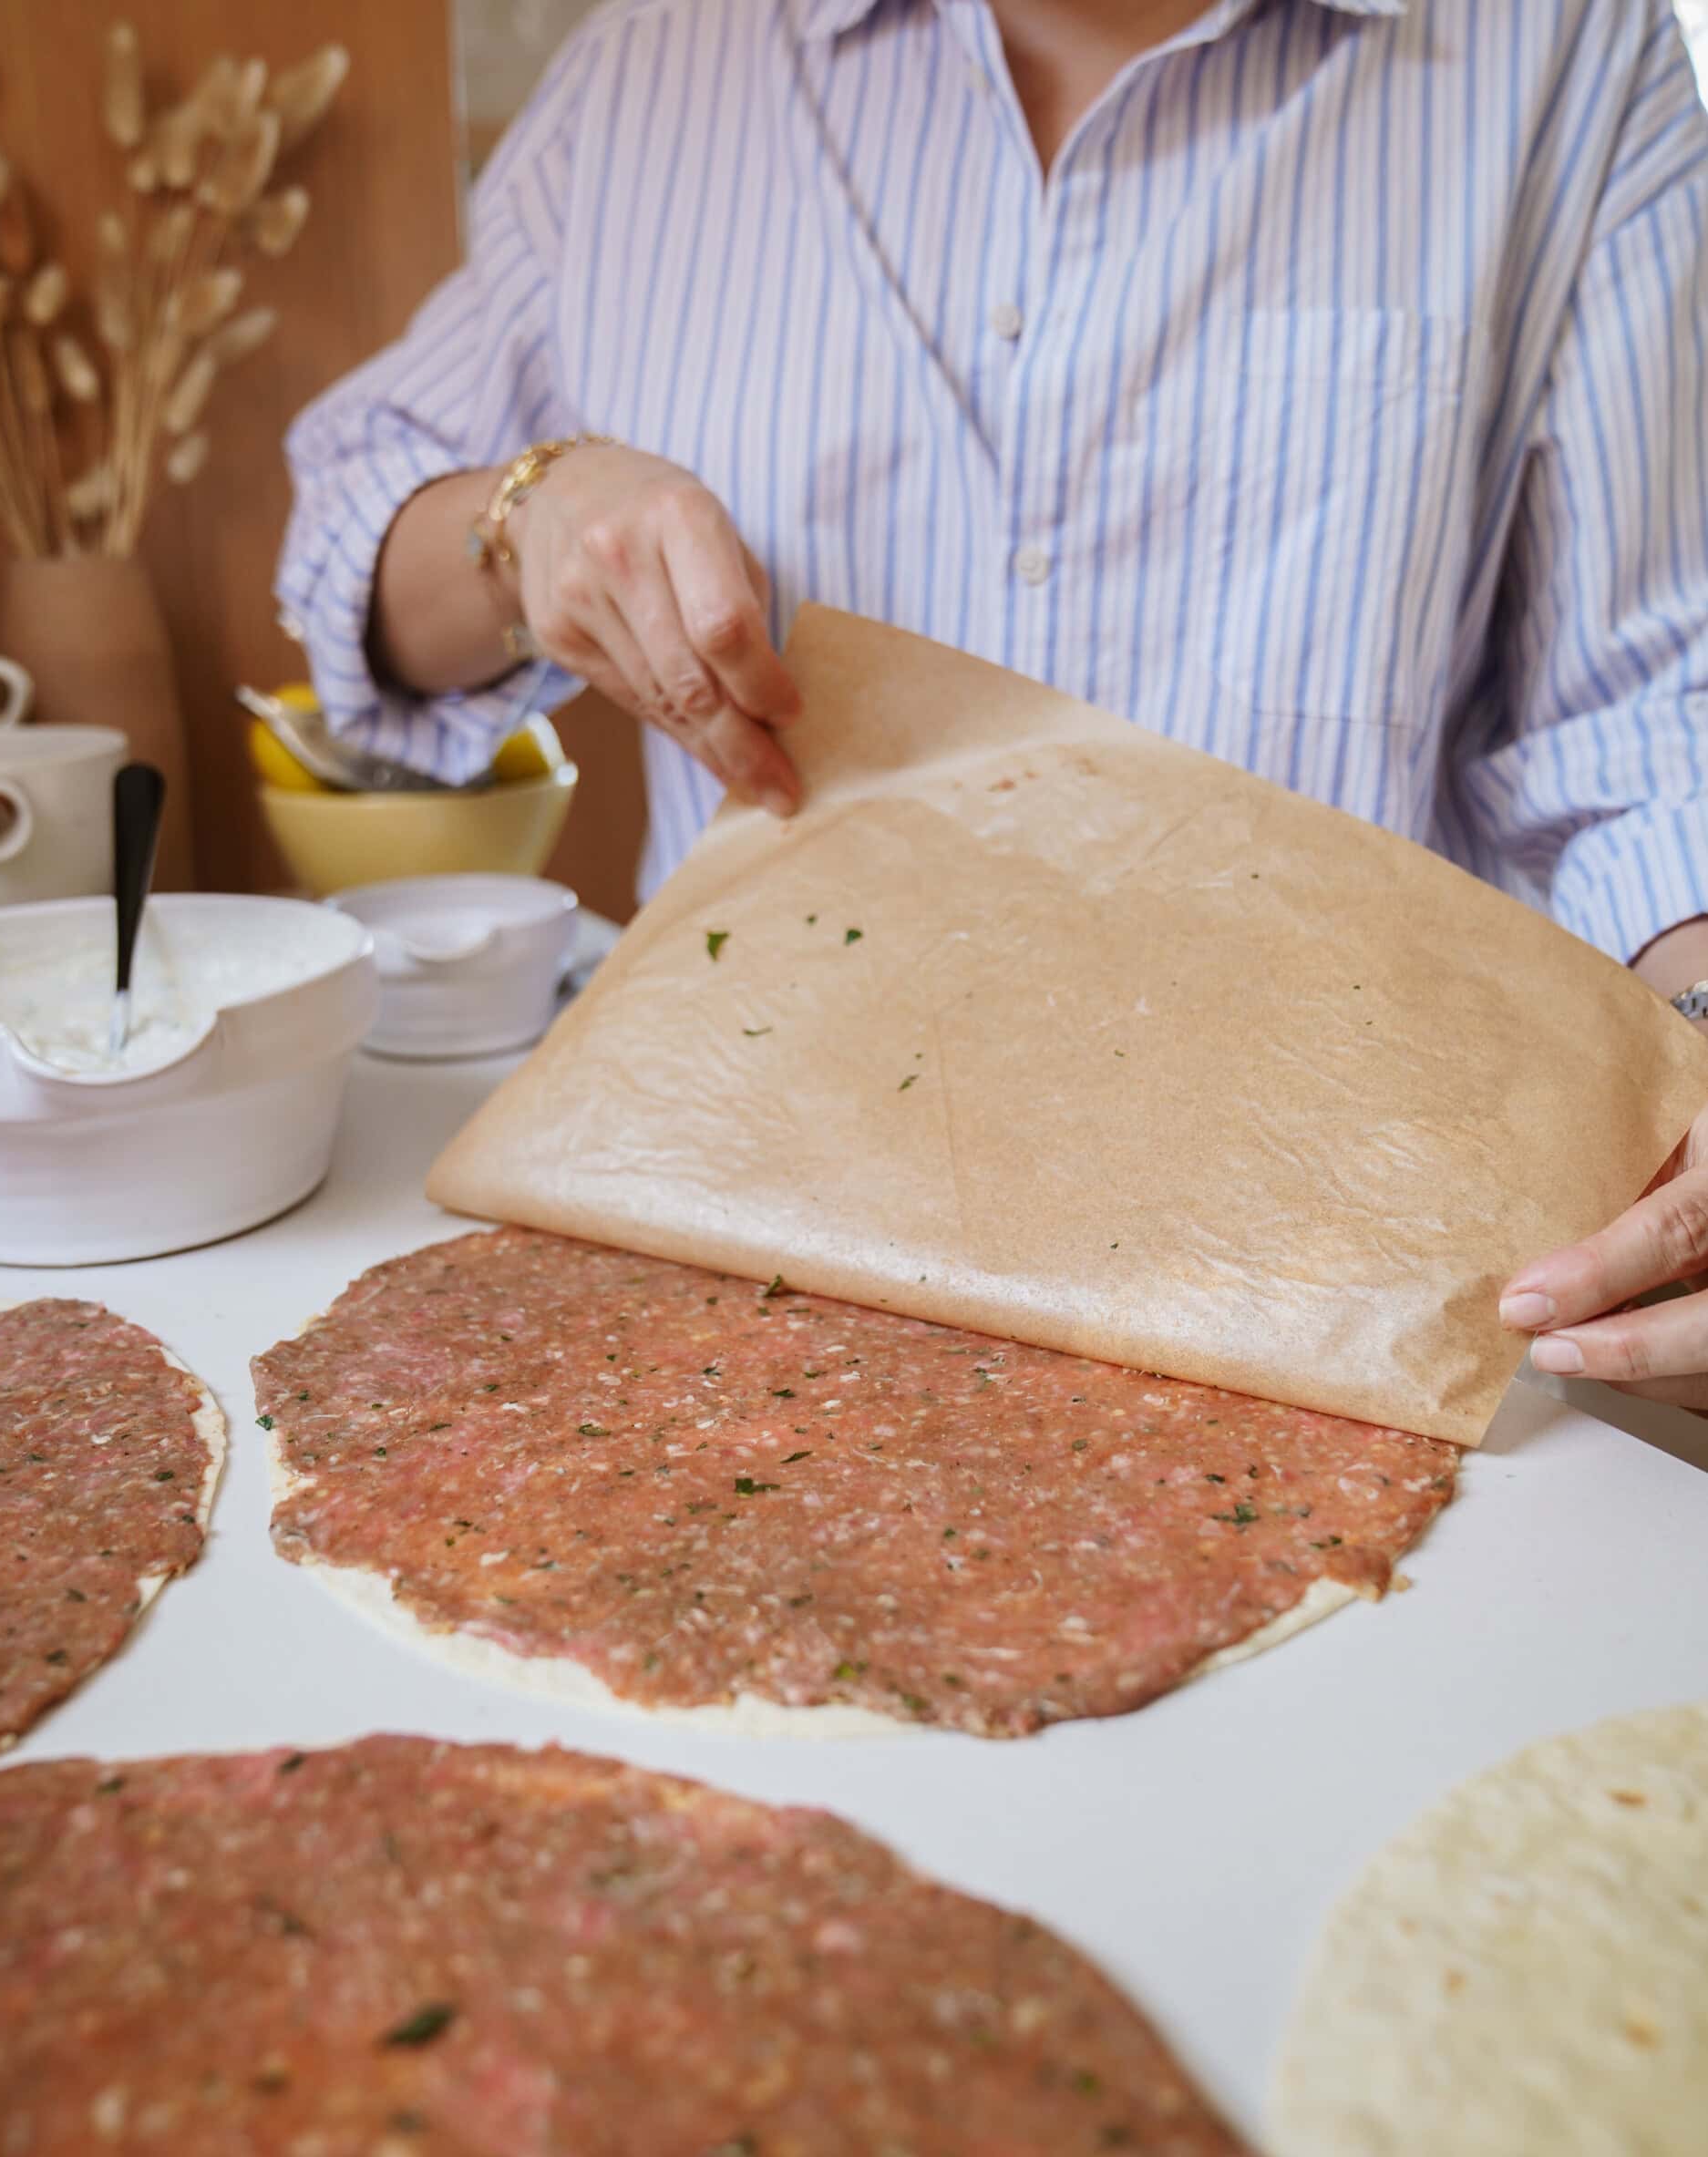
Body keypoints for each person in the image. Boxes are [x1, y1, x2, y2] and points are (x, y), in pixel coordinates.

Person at [280, 0, 1708, 1414]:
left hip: (1325, 1278)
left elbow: (1650, 717)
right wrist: (520, 515)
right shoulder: (653, 63)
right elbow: (350, 542)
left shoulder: (1562, 49)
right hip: (722, 1192)